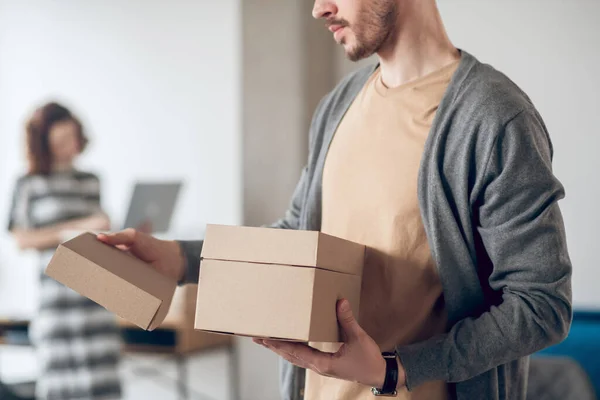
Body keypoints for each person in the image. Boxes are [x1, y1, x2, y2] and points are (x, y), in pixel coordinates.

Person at [99, 0, 572, 399]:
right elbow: (297, 238)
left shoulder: (493, 116)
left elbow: (541, 305)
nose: (317, 8)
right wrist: (180, 260)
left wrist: (393, 369)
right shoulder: (339, 104)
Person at [8, 102, 122, 400]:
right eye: (61, 141)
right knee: (61, 386)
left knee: (103, 385)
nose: (70, 147)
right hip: (57, 302)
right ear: (45, 143)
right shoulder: (29, 184)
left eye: (73, 138)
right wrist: (71, 229)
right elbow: (22, 239)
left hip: (96, 294)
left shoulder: (91, 181)